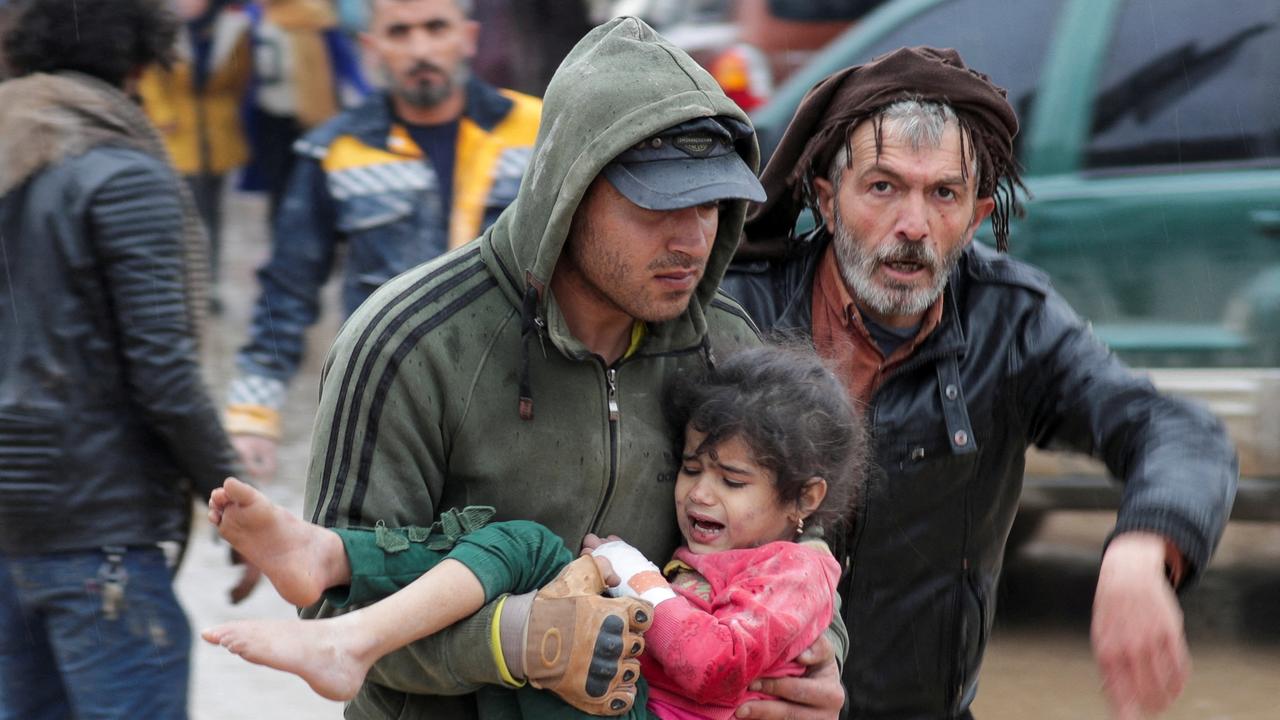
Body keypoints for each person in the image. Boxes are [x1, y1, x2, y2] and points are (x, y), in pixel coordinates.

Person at [295, 16, 849, 720]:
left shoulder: (725, 347)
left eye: (711, 203)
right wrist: (519, 642)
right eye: (660, 204)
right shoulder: (407, 345)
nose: (693, 239)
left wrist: (819, 661)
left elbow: (797, 537)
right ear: (569, 190)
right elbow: (335, 611)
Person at [720, 47, 1239, 719]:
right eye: (883, 187)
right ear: (826, 200)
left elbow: (1176, 430)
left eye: (944, 193)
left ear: (976, 214)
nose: (913, 226)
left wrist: (1144, 545)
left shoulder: (1011, 321)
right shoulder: (737, 313)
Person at [202, 345, 865, 718]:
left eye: (732, 480)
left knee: (535, 559)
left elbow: (712, 665)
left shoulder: (798, 570)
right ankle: (334, 560)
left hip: (637, 712)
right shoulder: (417, 335)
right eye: (690, 467)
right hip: (618, 696)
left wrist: (632, 574)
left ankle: (345, 612)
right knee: (520, 547)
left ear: (804, 499)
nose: (699, 492)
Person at [0, 0, 254, 717]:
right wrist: (237, 506)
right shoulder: (122, 175)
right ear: (142, 64)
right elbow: (164, 376)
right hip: (96, 531)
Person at [223, 0, 542, 482]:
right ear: (372, 47)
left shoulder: (538, 131)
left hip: (523, 402)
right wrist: (252, 415)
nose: (420, 49)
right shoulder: (337, 151)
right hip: (390, 410)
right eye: (400, 32)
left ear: (468, 38)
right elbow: (286, 289)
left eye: (436, 27)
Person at [138, 0, 255, 303]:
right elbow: (150, 77)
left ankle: (208, 282)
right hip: (178, 133)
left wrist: (226, 112)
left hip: (217, 133)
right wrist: (162, 115)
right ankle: (180, 281)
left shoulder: (233, 26)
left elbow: (240, 76)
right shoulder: (164, 28)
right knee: (180, 213)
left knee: (212, 213)